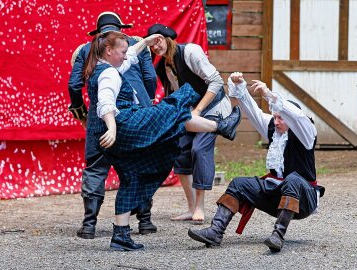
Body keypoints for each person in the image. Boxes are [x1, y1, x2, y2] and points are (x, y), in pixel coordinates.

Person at [82, 30, 241, 251]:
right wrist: (111, 126)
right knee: (173, 109)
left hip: (111, 134)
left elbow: (128, 60)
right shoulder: (108, 74)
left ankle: (120, 235)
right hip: (125, 124)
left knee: (132, 176)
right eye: (122, 51)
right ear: (109, 51)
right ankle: (221, 126)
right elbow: (106, 102)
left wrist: (144, 43)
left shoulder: (104, 66)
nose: (125, 56)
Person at [188, 72, 325, 252]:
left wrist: (269, 95)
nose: (275, 122)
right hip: (278, 195)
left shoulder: (306, 132)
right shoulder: (273, 128)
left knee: (293, 179)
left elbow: (297, 117)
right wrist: (240, 87)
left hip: (304, 199)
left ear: (290, 119)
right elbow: (254, 112)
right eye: (274, 117)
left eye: (280, 118)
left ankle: (278, 235)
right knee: (239, 184)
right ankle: (215, 232)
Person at [68, 11, 159, 239]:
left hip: (99, 121)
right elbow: (149, 78)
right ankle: (145, 221)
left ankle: (89, 225)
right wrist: (144, 107)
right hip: (127, 119)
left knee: (96, 169)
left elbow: (73, 85)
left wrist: (82, 113)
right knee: (138, 166)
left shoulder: (88, 52)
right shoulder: (123, 54)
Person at [146, 24, 237, 223]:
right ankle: (190, 207)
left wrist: (197, 111)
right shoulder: (162, 66)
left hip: (213, 107)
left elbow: (215, 82)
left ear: (168, 38)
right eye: (152, 45)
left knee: (199, 149)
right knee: (179, 150)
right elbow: (173, 94)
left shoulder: (190, 52)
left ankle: (200, 207)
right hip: (190, 113)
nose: (156, 47)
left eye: (158, 41)